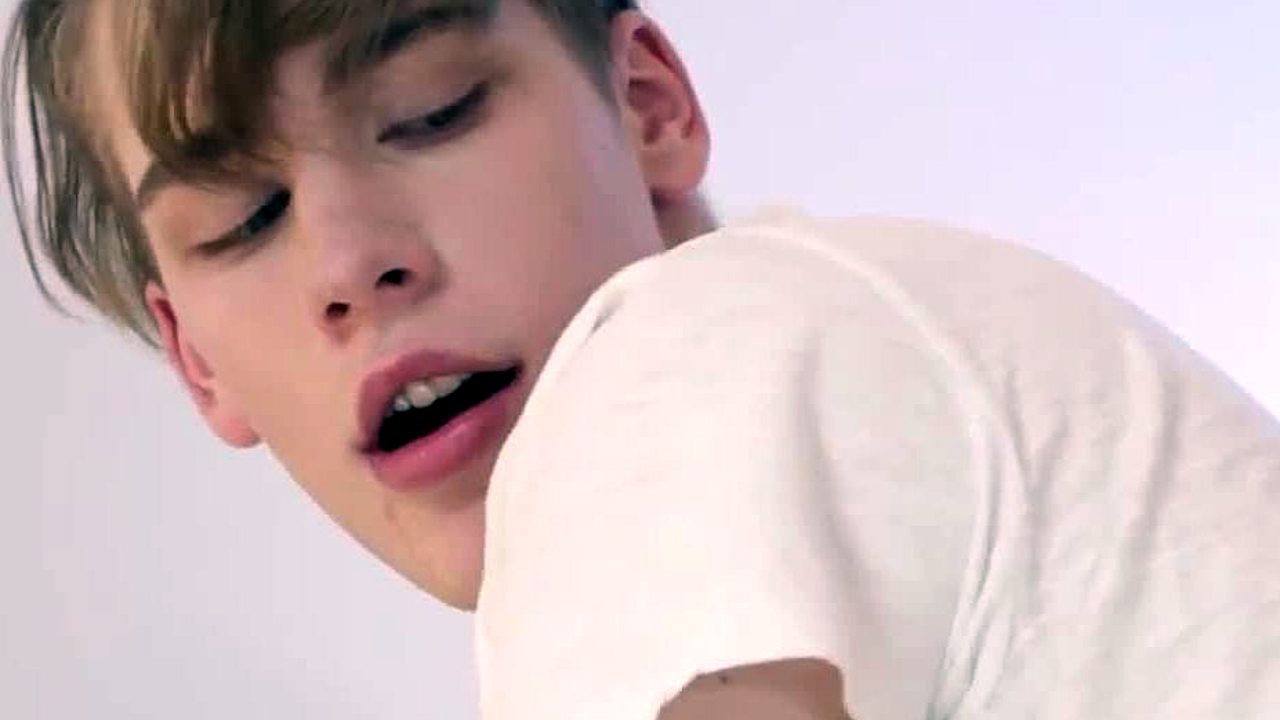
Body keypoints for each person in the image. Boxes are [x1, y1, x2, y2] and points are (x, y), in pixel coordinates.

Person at [5, 0, 1278, 718]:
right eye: (241, 221)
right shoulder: (870, 348)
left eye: (429, 114)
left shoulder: (663, 361)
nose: (348, 265)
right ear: (197, 361)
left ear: (647, 107)